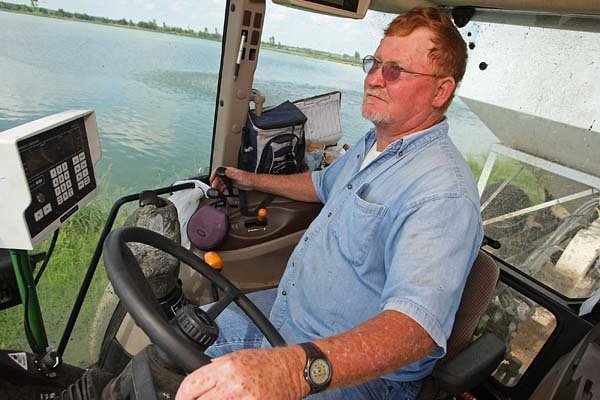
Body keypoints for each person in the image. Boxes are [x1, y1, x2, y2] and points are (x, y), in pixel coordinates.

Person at [176, 7, 482, 400]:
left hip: (359, 374)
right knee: (181, 343)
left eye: (395, 70)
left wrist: (291, 368)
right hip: (290, 313)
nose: (373, 79)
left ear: (441, 91)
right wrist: (250, 179)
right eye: (374, 64)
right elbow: (320, 183)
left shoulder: (442, 193)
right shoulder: (374, 145)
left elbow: (415, 330)